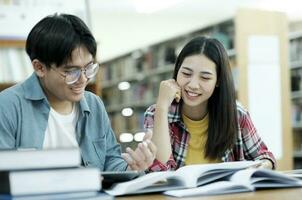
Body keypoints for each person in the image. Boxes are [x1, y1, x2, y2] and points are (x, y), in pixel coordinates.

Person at [0, 13, 156, 172]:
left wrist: (131, 168)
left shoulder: (94, 104)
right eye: (71, 71)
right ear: (39, 67)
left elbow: (110, 161)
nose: (83, 79)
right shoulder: (7, 106)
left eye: (89, 68)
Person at [144, 36, 276, 171]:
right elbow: (159, 173)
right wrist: (161, 107)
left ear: (218, 80)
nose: (193, 85)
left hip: (229, 192)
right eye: (186, 73)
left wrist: (262, 166)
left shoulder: (236, 114)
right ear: (177, 71)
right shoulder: (157, 113)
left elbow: (265, 157)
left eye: (205, 77)